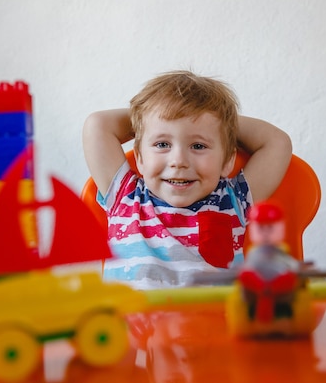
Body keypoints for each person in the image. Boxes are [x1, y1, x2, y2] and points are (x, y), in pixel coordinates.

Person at [82, 70, 292, 289]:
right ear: (140, 157)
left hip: (214, 322)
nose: (179, 161)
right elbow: (97, 125)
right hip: (132, 323)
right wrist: (150, 115)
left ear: (227, 160)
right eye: (162, 144)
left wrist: (221, 122)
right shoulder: (125, 197)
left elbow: (277, 142)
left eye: (198, 146)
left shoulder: (233, 200)